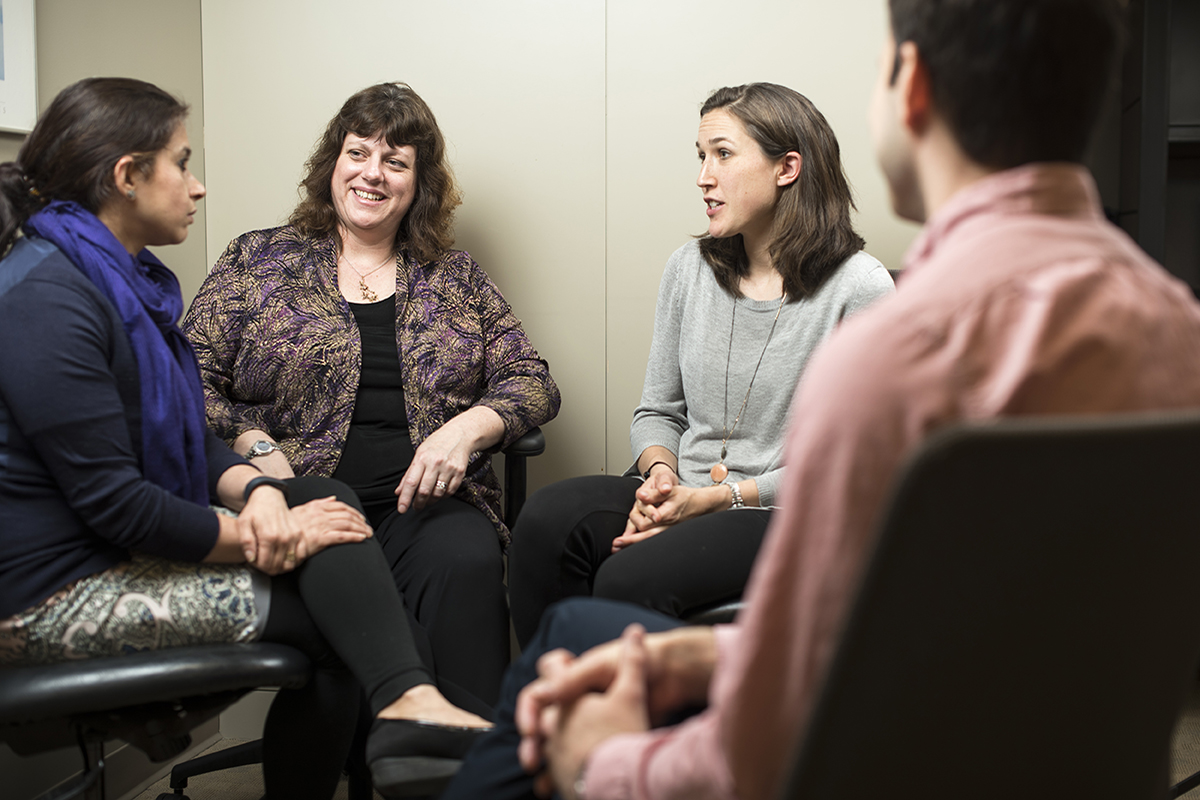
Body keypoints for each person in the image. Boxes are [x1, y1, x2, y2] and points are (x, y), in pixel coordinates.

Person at [439, 1, 1200, 799]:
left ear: (910, 84)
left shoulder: (894, 354)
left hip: (879, 751)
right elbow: (949, 631)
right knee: (574, 620)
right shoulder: (1180, 338)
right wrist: (706, 651)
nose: (703, 172)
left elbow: (781, 728)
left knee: (556, 701)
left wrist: (603, 762)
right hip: (1052, 755)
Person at [0, 77, 498, 800]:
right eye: (181, 162)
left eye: (395, 161)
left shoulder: (113, 281)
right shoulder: (50, 297)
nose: (197, 186)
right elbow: (120, 505)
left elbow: (175, 430)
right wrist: (270, 534)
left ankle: (407, 711)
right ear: (127, 176)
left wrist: (260, 492)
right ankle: (409, 708)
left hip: (117, 546)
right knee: (341, 623)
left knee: (327, 511)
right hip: (53, 592)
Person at [183, 82, 560, 711]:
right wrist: (252, 442)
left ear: (419, 183)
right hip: (305, 498)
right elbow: (182, 374)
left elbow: (531, 377)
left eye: (396, 161)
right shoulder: (260, 261)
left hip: (429, 507)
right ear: (333, 162)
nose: (373, 174)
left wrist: (468, 429)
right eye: (358, 153)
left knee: (466, 561)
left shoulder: (454, 275)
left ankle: (466, 767)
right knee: (346, 582)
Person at [507, 83, 893, 646]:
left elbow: (857, 467)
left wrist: (713, 499)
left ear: (787, 167)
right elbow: (657, 411)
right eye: (700, 156)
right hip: (683, 487)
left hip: (785, 512)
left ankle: (623, 728)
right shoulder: (689, 269)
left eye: (723, 154)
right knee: (545, 523)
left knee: (628, 577)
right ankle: (552, 721)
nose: (703, 176)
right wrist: (660, 478)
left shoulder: (859, 288)